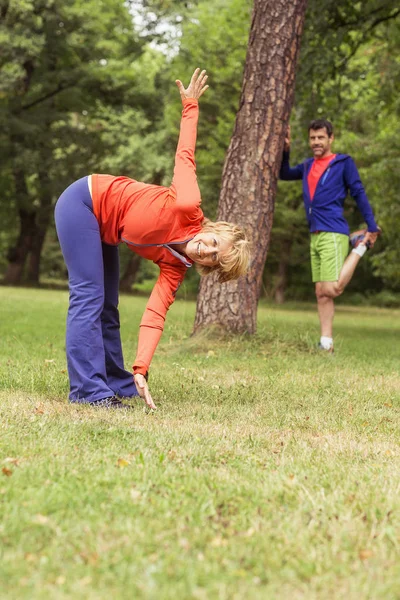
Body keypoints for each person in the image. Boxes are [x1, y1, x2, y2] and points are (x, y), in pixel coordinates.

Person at [55, 68, 250, 410]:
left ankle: (118, 381)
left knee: (108, 305)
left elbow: (154, 315)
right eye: (213, 244)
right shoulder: (187, 205)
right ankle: (88, 392)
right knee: (89, 295)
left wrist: (141, 368)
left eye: (213, 260)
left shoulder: (176, 266)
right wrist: (191, 106)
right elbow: (185, 155)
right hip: (83, 202)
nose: (206, 252)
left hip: (105, 230)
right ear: (213, 230)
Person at [279, 120, 380, 352]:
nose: (316, 142)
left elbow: (358, 192)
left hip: (333, 231)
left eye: (320, 138)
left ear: (330, 138)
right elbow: (284, 174)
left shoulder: (342, 163)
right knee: (321, 293)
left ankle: (360, 245)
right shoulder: (307, 166)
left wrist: (371, 227)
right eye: (312, 138)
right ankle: (326, 343)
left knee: (333, 289)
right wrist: (286, 149)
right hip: (315, 233)